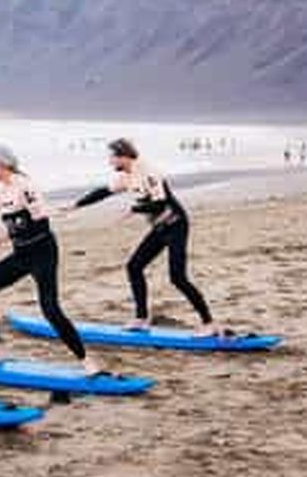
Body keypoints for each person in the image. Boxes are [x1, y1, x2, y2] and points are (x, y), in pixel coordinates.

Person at [0, 144, 100, 373]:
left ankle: (87, 361)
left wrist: (14, 230)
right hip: (21, 255)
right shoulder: (1, 192)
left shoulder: (25, 185)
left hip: (42, 253)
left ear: (1, 165)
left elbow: (40, 219)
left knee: (50, 309)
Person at [74, 138, 216, 335]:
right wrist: (76, 205)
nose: (110, 162)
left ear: (123, 156)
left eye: (112, 157)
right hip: (159, 228)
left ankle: (209, 323)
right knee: (134, 267)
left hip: (176, 225)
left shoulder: (149, 172)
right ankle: (141, 318)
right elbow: (102, 192)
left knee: (177, 278)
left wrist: (133, 210)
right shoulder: (126, 176)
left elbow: (160, 203)